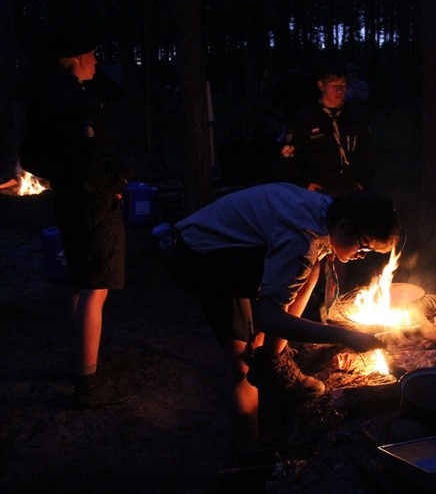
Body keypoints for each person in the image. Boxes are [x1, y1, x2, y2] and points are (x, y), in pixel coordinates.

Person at [168, 182, 400, 457]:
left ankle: (272, 360)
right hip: (202, 256)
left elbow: (295, 279)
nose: (362, 256)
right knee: (241, 356)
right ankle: (249, 451)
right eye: (364, 248)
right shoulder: (300, 237)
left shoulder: (322, 212)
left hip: (239, 248)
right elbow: (269, 317)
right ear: (345, 226)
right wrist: (345, 336)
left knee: (311, 266)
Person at [18, 24, 132, 409]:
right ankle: (88, 382)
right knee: (94, 289)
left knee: (82, 283)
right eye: (94, 56)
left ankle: (83, 364)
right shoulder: (76, 102)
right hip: (92, 204)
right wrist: (117, 182)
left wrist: (58, 176)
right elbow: (88, 164)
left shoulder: (45, 97)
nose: (97, 63)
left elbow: (31, 157)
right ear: (81, 58)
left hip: (68, 201)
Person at [279, 62, 373, 197]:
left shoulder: (355, 115)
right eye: (334, 85)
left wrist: (363, 182)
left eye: (343, 85)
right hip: (318, 192)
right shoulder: (304, 118)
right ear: (321, 85)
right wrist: (304, 184)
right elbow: (288, 156)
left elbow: (367, 151)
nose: (339, 90)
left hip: (352, 189)